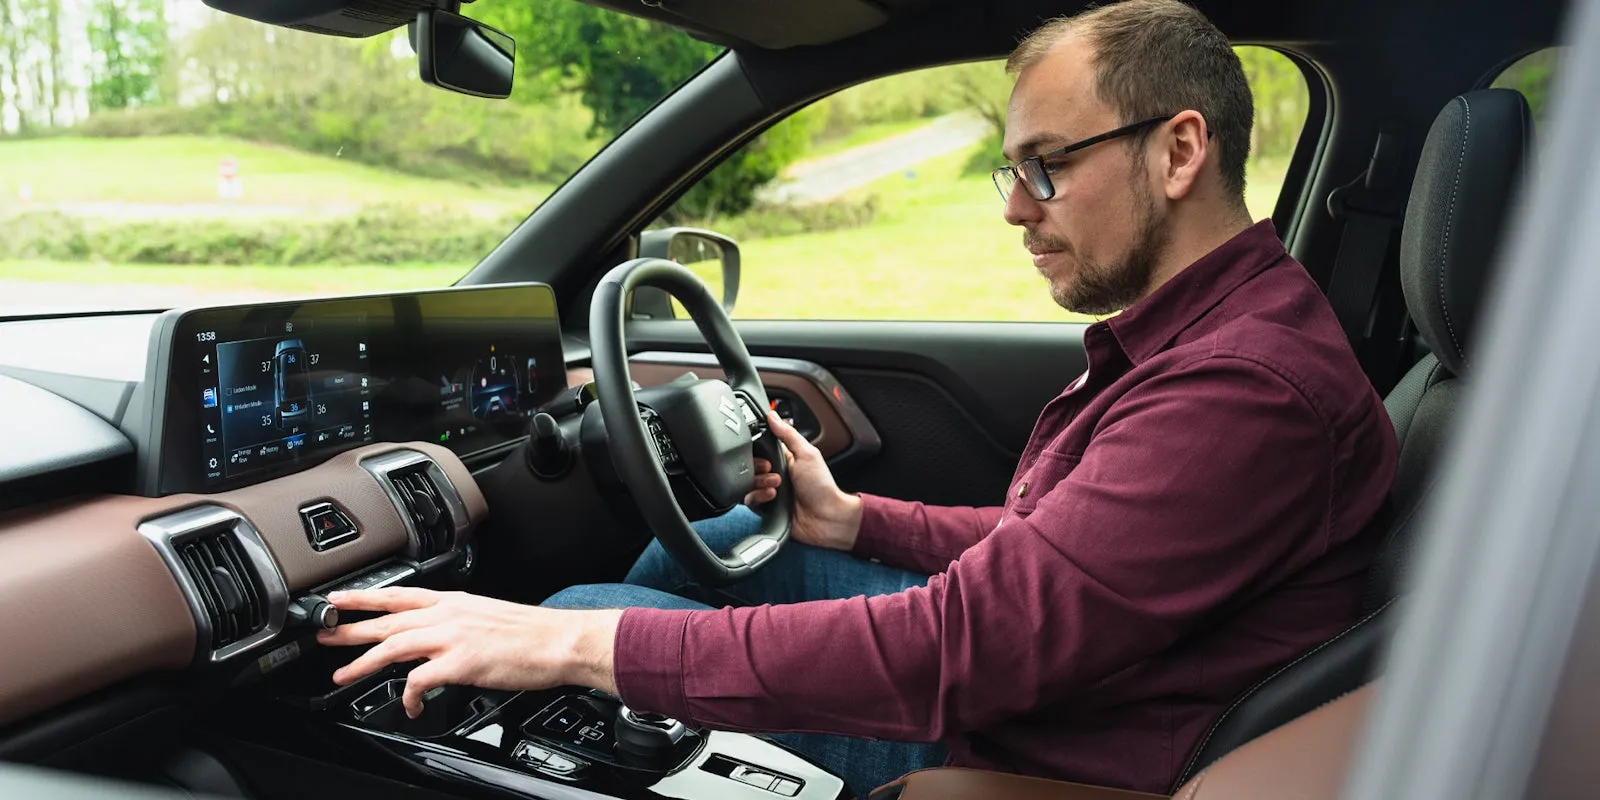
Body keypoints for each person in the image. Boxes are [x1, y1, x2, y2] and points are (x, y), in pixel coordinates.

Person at [317, 0, 1399, 795]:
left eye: (1047, 167)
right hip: (1076, 686)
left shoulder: (1243, 388)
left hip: (1041, 748)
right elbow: (1059, 550)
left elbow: (963, 647)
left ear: (1177, 151)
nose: (1016, 210)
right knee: (739, 526)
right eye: (1008, 172)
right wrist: (859, 518)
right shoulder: (1213, 330)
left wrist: (557, 646)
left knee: (571, 624)